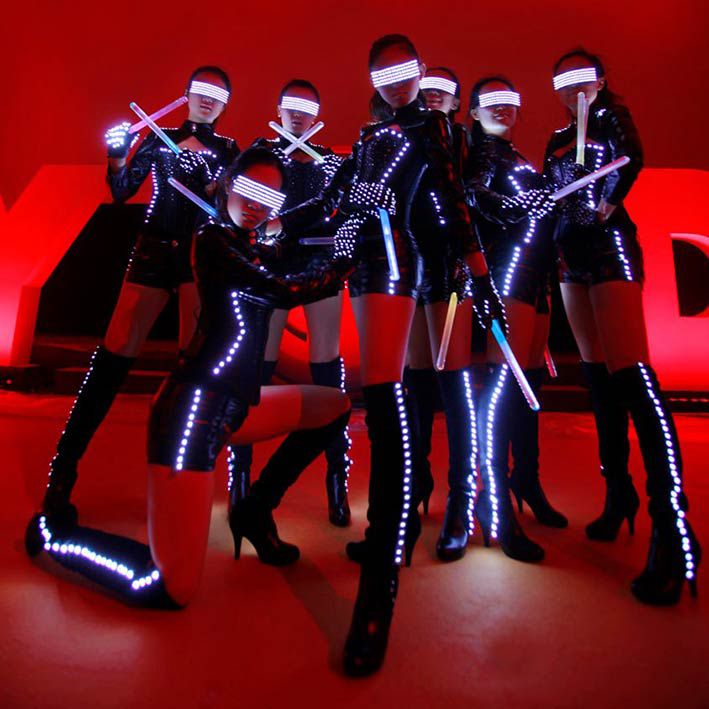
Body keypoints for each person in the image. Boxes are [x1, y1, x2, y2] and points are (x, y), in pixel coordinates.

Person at [267, 34, 505, 676]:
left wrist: (479, 274)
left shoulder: (435, 128)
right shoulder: (369, 136)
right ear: (371, 79)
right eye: (383, 72)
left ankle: (382, 571)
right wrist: (278, 219)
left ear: (420, 72)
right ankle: (311, 517)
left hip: (403, 263)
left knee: (386, 397)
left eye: (405, 69)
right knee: (372, 399)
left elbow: (455, 203)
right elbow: (337, 198)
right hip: (362, 264)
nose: (396, 80)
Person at [26, 147, 352, 607]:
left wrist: (343, 190)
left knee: (334, 407)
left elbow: (296, 225)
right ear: (227, 185)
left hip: (237, 409)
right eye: (249, 189)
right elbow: (283, 290)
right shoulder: (214, 240)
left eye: (270, 197)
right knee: (170, 587)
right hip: (190, 422)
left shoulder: (254, 245)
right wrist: (346, 261)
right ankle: (56, 538)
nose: (257, 203)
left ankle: (254, 510)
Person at [41, 67, 239, 532]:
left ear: (226, 104)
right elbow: (121, 190)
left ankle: (177, 484)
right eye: (201, 91)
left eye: (218, 94)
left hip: (198, 257)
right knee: (109, 362)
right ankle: (62, 473)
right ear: (185, 94)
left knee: (191, 372)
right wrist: (116, 156)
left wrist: (218, 190)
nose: (208, 99)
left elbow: (232, 212)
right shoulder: (157, 136)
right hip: (152, 251)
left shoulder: (230, 151)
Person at [544, 49, 700, 604]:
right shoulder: (557, 137)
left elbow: (632, 157)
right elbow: (549, 196)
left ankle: (673, 530)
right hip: (570, 258)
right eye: (562, 80)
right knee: (598, 378)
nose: (573, 87)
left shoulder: (611, 116)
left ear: (601, 80)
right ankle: (619, 496)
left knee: (632, 374)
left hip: (610, 249)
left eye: (582, 78)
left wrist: (609, 203)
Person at [228, 79, 351, 528]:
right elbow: (239, 206)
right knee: (257, 365)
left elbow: (337, 212)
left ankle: (337, 476)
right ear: (277, 109)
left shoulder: (331, 161)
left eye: (307, 107)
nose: (298, 114)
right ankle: (240, 475)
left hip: (319, 261)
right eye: (291, 106)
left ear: (318, 115)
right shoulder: (261, 155)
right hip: (272, 262)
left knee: (327, 364)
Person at [465, 76, 565, 564]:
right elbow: (473, 195)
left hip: (537, 279)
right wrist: (516, 206)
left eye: (510, 100)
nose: (503, 107)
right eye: (492, 101)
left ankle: (526, 479)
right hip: (506, 274)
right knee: (503, 386)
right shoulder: (482, 154)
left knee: (529, 387)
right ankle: (495, 499)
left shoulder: (518, 157)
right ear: (474, 111)